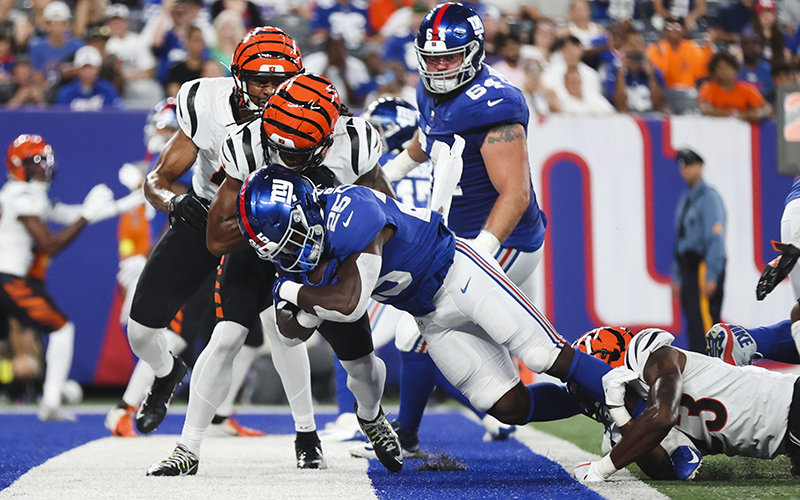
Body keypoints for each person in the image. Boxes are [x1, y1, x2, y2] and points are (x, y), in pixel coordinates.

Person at [239, 166, 613, 460]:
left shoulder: (352, 208)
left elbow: (349, 305)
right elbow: (292, 332)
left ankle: (634, 396)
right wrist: (302, 305)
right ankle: (596, 405)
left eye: (295, 235)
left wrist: (289, 291)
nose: (294, 252)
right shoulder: (296, 254)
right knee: (506, 406)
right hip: (429, 316)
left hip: (459, 275)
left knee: (542, 355)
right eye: (282, 249)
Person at [164, 72, 404, 476]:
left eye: (301, 152)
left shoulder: (356, 143)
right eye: (280, 147)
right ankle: (187, 446)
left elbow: (383, 212)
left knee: (361, 364)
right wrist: (273, 228)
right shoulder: (248, 141)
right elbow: (217, 237)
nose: (288, 157)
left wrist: (337, 245)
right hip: (259, 247)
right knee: (226, 337)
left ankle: (370, 415)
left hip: (323, 253)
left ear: (329, 138)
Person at [123, 27, 323, 473]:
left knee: (274, 329)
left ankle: (307, 433)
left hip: (263, 221)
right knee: (141, 329)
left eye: (281, 81)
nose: (272, 92)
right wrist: (178, 205)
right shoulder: (204, 102)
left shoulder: (303, 109)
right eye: (260, 81)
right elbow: (157, 178)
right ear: (237, 77)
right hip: (204, 211)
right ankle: (165, 371)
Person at [572, 327, 800, 482]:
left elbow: (663, 416)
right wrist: (619, 411)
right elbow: (666, 472)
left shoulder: (648, 355)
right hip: (789, 440)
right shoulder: (639, 420)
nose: (594, 403)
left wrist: (600, 470)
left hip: (792, 402)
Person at [0, 134, 118, 421]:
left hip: (11, 277)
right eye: (37, 161)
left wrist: (132, 200)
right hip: (9, 277)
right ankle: (51, 401)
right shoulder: (21, 195)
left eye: (46, 160)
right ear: (20, 165)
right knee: (61, 329)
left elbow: (68, 214)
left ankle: (52, 398)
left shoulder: (23, 194)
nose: (45, 167)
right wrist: (86, 217)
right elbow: (50, 245)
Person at [671, 148, 727, 354]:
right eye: (682, 165)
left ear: (700, 166)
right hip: (689, 270)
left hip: (703, 268)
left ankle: (713, 373)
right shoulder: (687, 199)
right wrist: (677, 276)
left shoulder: (709, 198)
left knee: (707, 327)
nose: (685, 169)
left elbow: (715, 239)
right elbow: (681, 241)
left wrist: (712, 274)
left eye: (690, 164)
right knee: (695, 324)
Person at [698, 51, 773, 122]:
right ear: (713, 72)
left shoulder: (747, 89)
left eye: (728, 67)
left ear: (735, 70)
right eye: (720, 68)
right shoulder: (708, 88)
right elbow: (705, 109)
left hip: (744, 131)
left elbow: (767, 109)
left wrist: (758, 113)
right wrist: (736, 114)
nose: (724, 71)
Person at [645, 16, 711, 91]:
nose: (674, 29)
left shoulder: (692, 47)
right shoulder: (655, 48)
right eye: (670, 26)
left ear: (684, 30)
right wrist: (662, 56)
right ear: (665, 30)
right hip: (665, 92)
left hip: (688, 92)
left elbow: (702, 72)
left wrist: (708, 47)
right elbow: (658, 75)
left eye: (677, 26)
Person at [56, 45, 123, 110]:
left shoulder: (108, 90)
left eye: (91, 68)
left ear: (98, 69)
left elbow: (117, 113)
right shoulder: (66, 93)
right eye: (84, 68)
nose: (88, 72)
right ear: (78, 70)